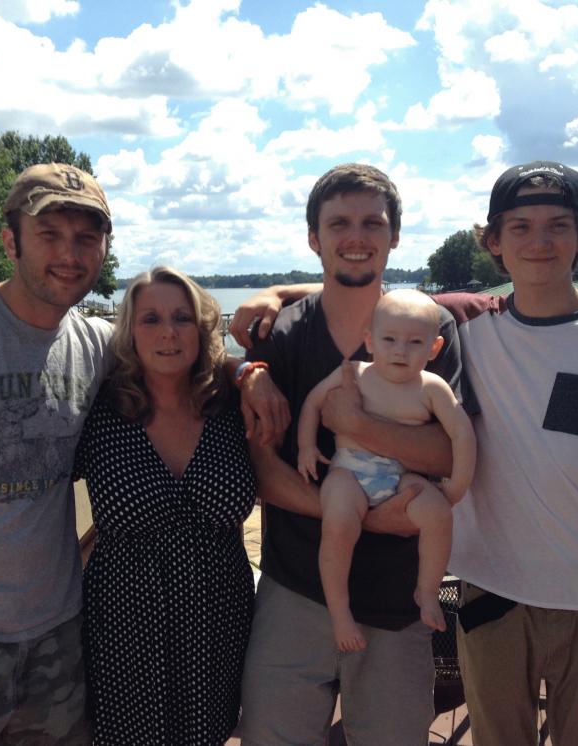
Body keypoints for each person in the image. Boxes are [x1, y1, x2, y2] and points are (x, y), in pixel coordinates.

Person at [0, 163, 284, 745]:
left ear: (104, 249)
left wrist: (250, 373)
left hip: (61, 639)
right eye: (50, 234)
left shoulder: (96, 346)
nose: (70, 253)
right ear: (10, 240)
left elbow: (181, 357)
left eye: (87, 237)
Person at [233, 160, 578, 746]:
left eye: (558, 225)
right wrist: (261, 327)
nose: (540, 242)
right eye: (520, 227)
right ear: (494, 241)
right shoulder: (468, 320)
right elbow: (360, 287)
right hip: (487, 596)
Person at [235, 163, 467, 745]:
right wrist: (358, 514)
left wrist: (358, 424)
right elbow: (264, 469)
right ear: (314, 238)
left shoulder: (428, 326)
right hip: (294, 585)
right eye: (338, 223)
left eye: (372, 223)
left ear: (395, 236)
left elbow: (447, 453)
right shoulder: (281, 334)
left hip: (399, 594)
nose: (356, 237)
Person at [73, 266, 256, 746]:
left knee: (207, 734)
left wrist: (246, 370)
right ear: (130, 332)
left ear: (202, 327)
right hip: (122, 620)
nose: (169, 332)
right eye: (151, 319)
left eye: (182, 317)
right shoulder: (99, 410)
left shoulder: (232, 407)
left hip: (219, 617)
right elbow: (29, 480)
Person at [297, 288, 475, 651]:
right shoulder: (355, 373)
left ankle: (427, 591)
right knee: (338, 523)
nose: (400, 351)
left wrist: (457, 486)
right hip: (349, 471)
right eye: (389, 339)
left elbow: (463, 434)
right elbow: (313, 402)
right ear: (370, 341)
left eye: (414, 342)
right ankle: (340, 612)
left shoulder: (433, 388)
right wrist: (306, 447)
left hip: (401, 475)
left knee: (439, 515)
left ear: (434, 348)